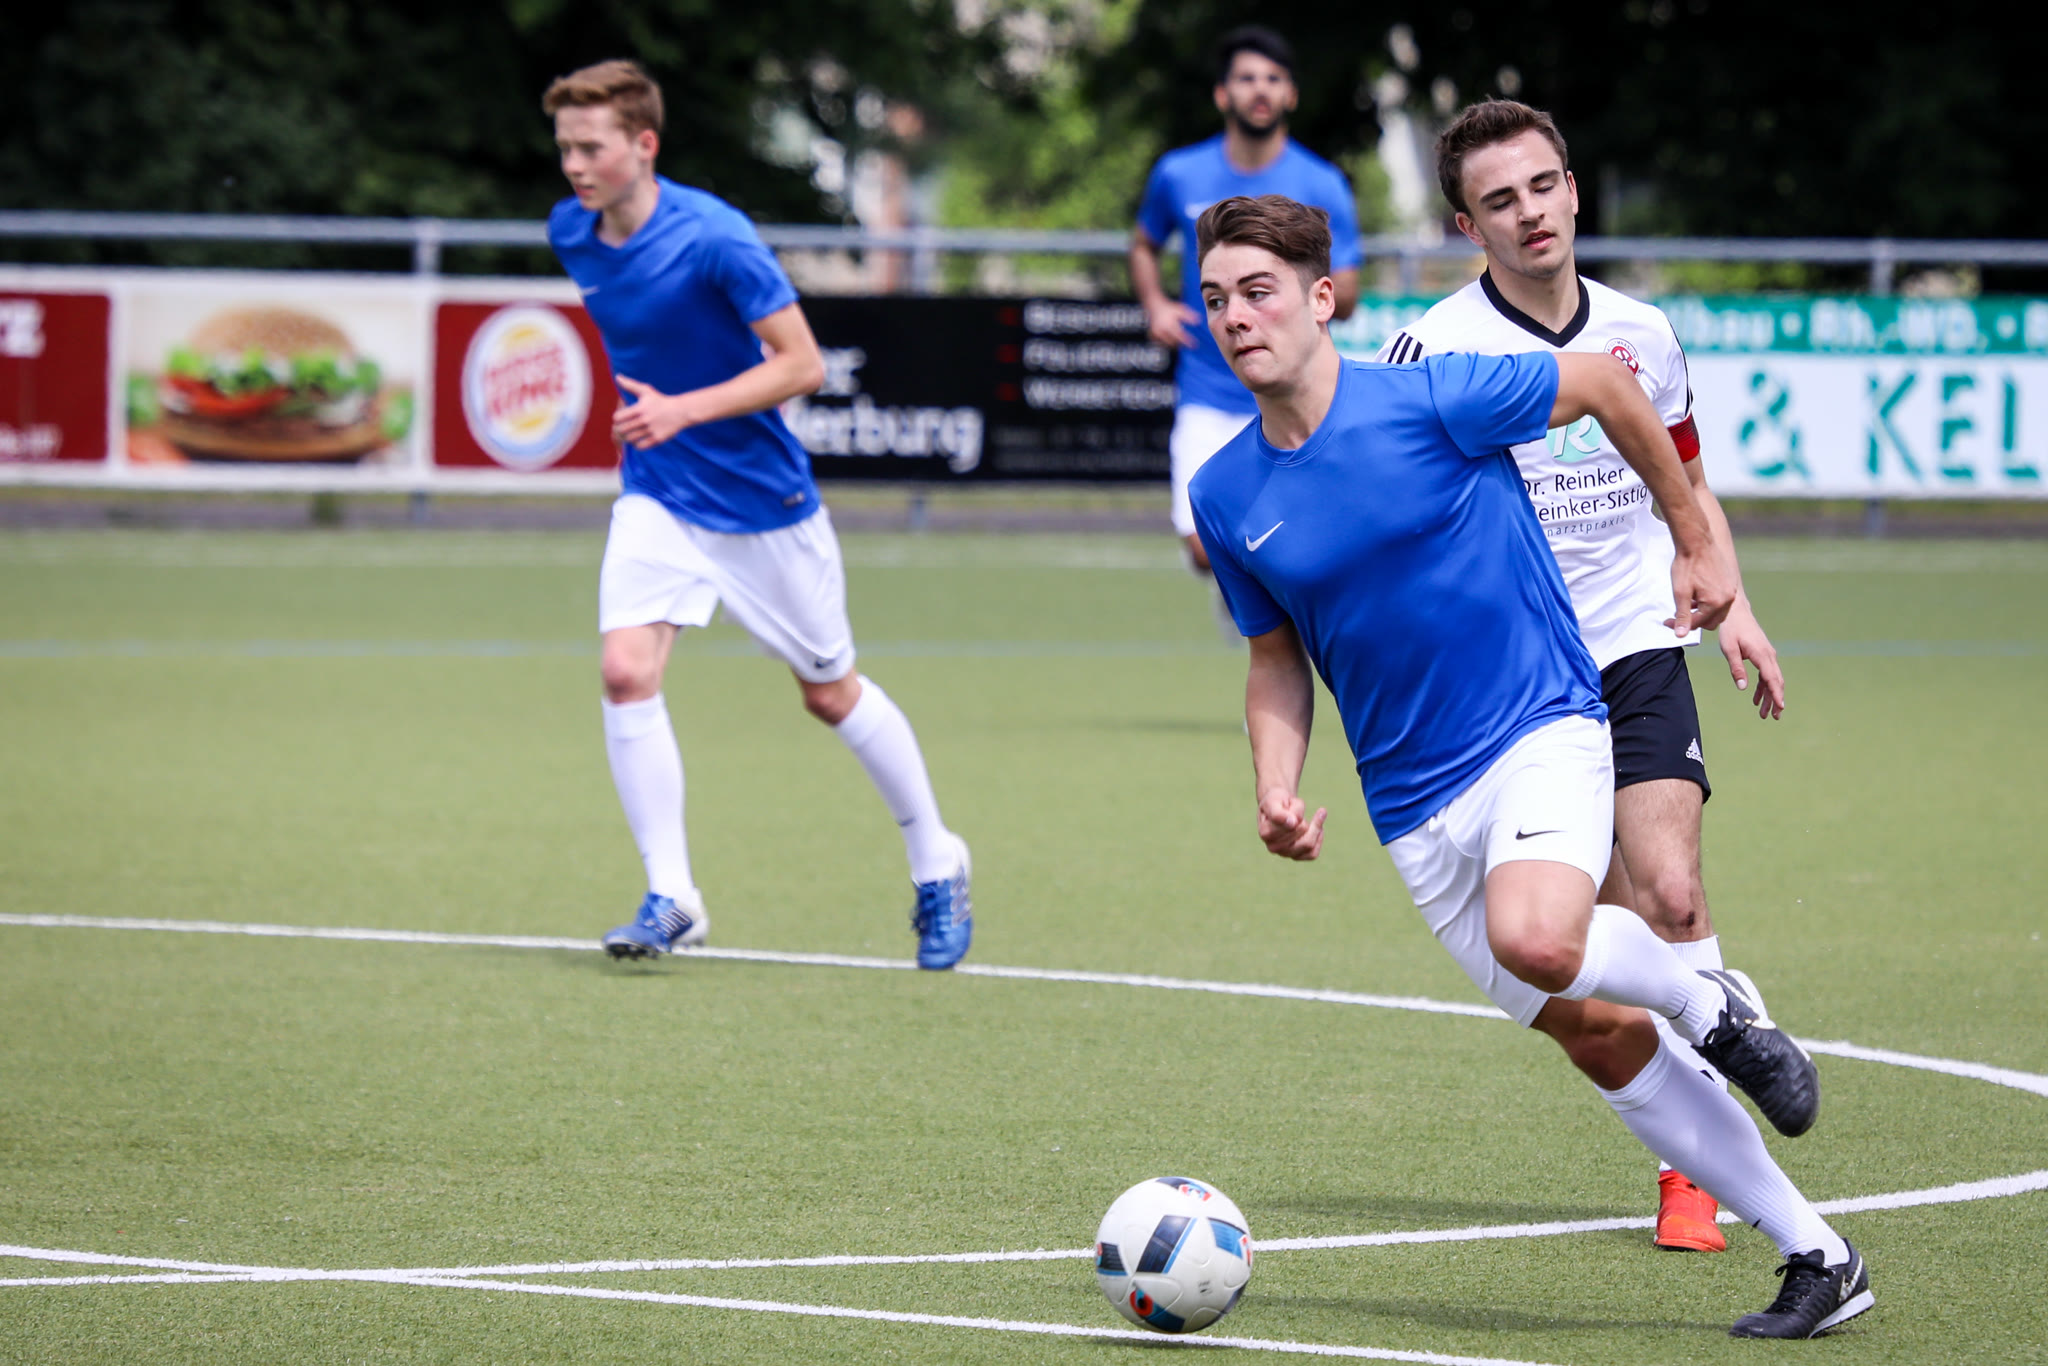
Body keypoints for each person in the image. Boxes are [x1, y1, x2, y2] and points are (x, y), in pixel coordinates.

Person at [1188, 193, 1871, 1340]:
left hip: (1538, 721)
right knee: (1595, 1034)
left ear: (1319, 298)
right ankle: (1820, 1255)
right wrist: (1272, 781)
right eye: (1214, 299)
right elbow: (1273, 659)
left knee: (1539, 936)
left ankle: (1708, 1001)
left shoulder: (1426, 396)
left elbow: (1604, 384)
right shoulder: (1222, 491)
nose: (1234, 317)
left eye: (1256, 291)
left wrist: (1694, 541)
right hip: (1409, 807)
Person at [1377, 98, 1786, 1253]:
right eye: (1498, 201)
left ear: (1570, 187)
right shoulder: (1431, 349)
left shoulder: (1642, 333)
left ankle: (1691, 1171)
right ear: (1468, 226)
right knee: (1596, 924)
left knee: (1672, 894)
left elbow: (1684, 482)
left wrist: (1734, 603)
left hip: (1635, 637)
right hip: (1511, 672)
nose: (1529, 213)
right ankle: (1703, 1090)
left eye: (1541, 186)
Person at [541, 59, 971, 969]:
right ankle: (673, 897)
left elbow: (802, 365)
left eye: (591, 147)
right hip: (658, 491)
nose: (574, 165)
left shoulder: (716, 238)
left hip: (762, 503)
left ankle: (938, 857)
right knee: (625, 671)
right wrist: (663, 428)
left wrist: (682, 410)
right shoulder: (570, 231)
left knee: (829, 693)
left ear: (644, 145)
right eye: (565, 147)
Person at [1130, 25, 1364, 636]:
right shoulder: (1178, 173)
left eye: (1273, 79)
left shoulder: (1321, 184)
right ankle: (1250, 581)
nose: (1259, 90)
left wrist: (1289, 290)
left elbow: (1346, 291)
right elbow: (1143, 243)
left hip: (1299, 397)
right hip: (1210, 390)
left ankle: (1274, 604)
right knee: (1201, 546)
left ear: (1290, 94)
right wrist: (1156, 304)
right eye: (1246, 78)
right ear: (1222, 94)